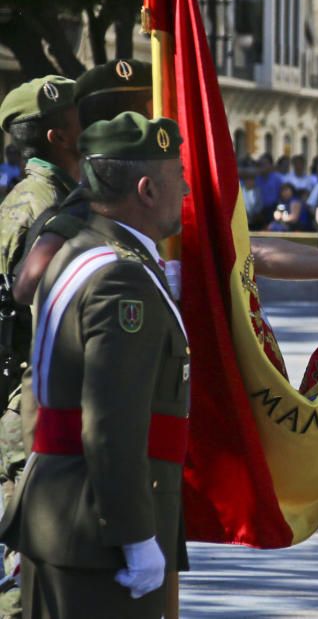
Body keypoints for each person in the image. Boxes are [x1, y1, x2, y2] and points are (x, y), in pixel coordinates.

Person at [0, 112, 189, 618]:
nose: (188, 189)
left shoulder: (81, 254)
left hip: (63, 513)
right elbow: (111, 423)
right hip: (98, 533)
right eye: (179, 177)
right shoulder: (119, 279)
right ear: (147, 190)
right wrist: (135, 536)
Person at [0, 77, 81, 617]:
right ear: (59, 135)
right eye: (82, 116)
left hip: (39, 401)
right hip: (30, 407)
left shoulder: (49, 198)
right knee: (28, 573)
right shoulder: (41, 208)